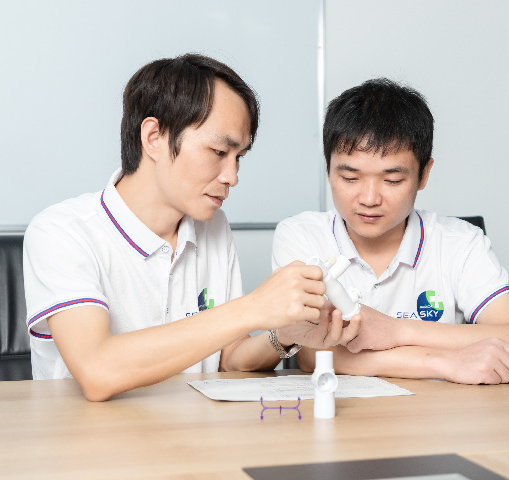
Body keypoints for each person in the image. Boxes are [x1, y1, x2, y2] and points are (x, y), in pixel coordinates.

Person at [23, 54, 359, 401]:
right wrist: (253, 307)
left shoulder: (211, 227)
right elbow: (97, 370)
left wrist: (286, 335)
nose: (232, 177)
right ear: (154, 137)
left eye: (239, 157)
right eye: (217, 151)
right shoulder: (62, 232)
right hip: (90, 446)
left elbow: (229, 359)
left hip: (192, 441)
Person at [272, 78, 509, 385]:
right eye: (350, 178)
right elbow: (312, 353)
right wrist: (445, 362)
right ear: (328, 168)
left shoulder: (460, 242)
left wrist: (397, 329)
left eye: (391, 181)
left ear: (423, 174)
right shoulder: (301, 236)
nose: (369, 199)